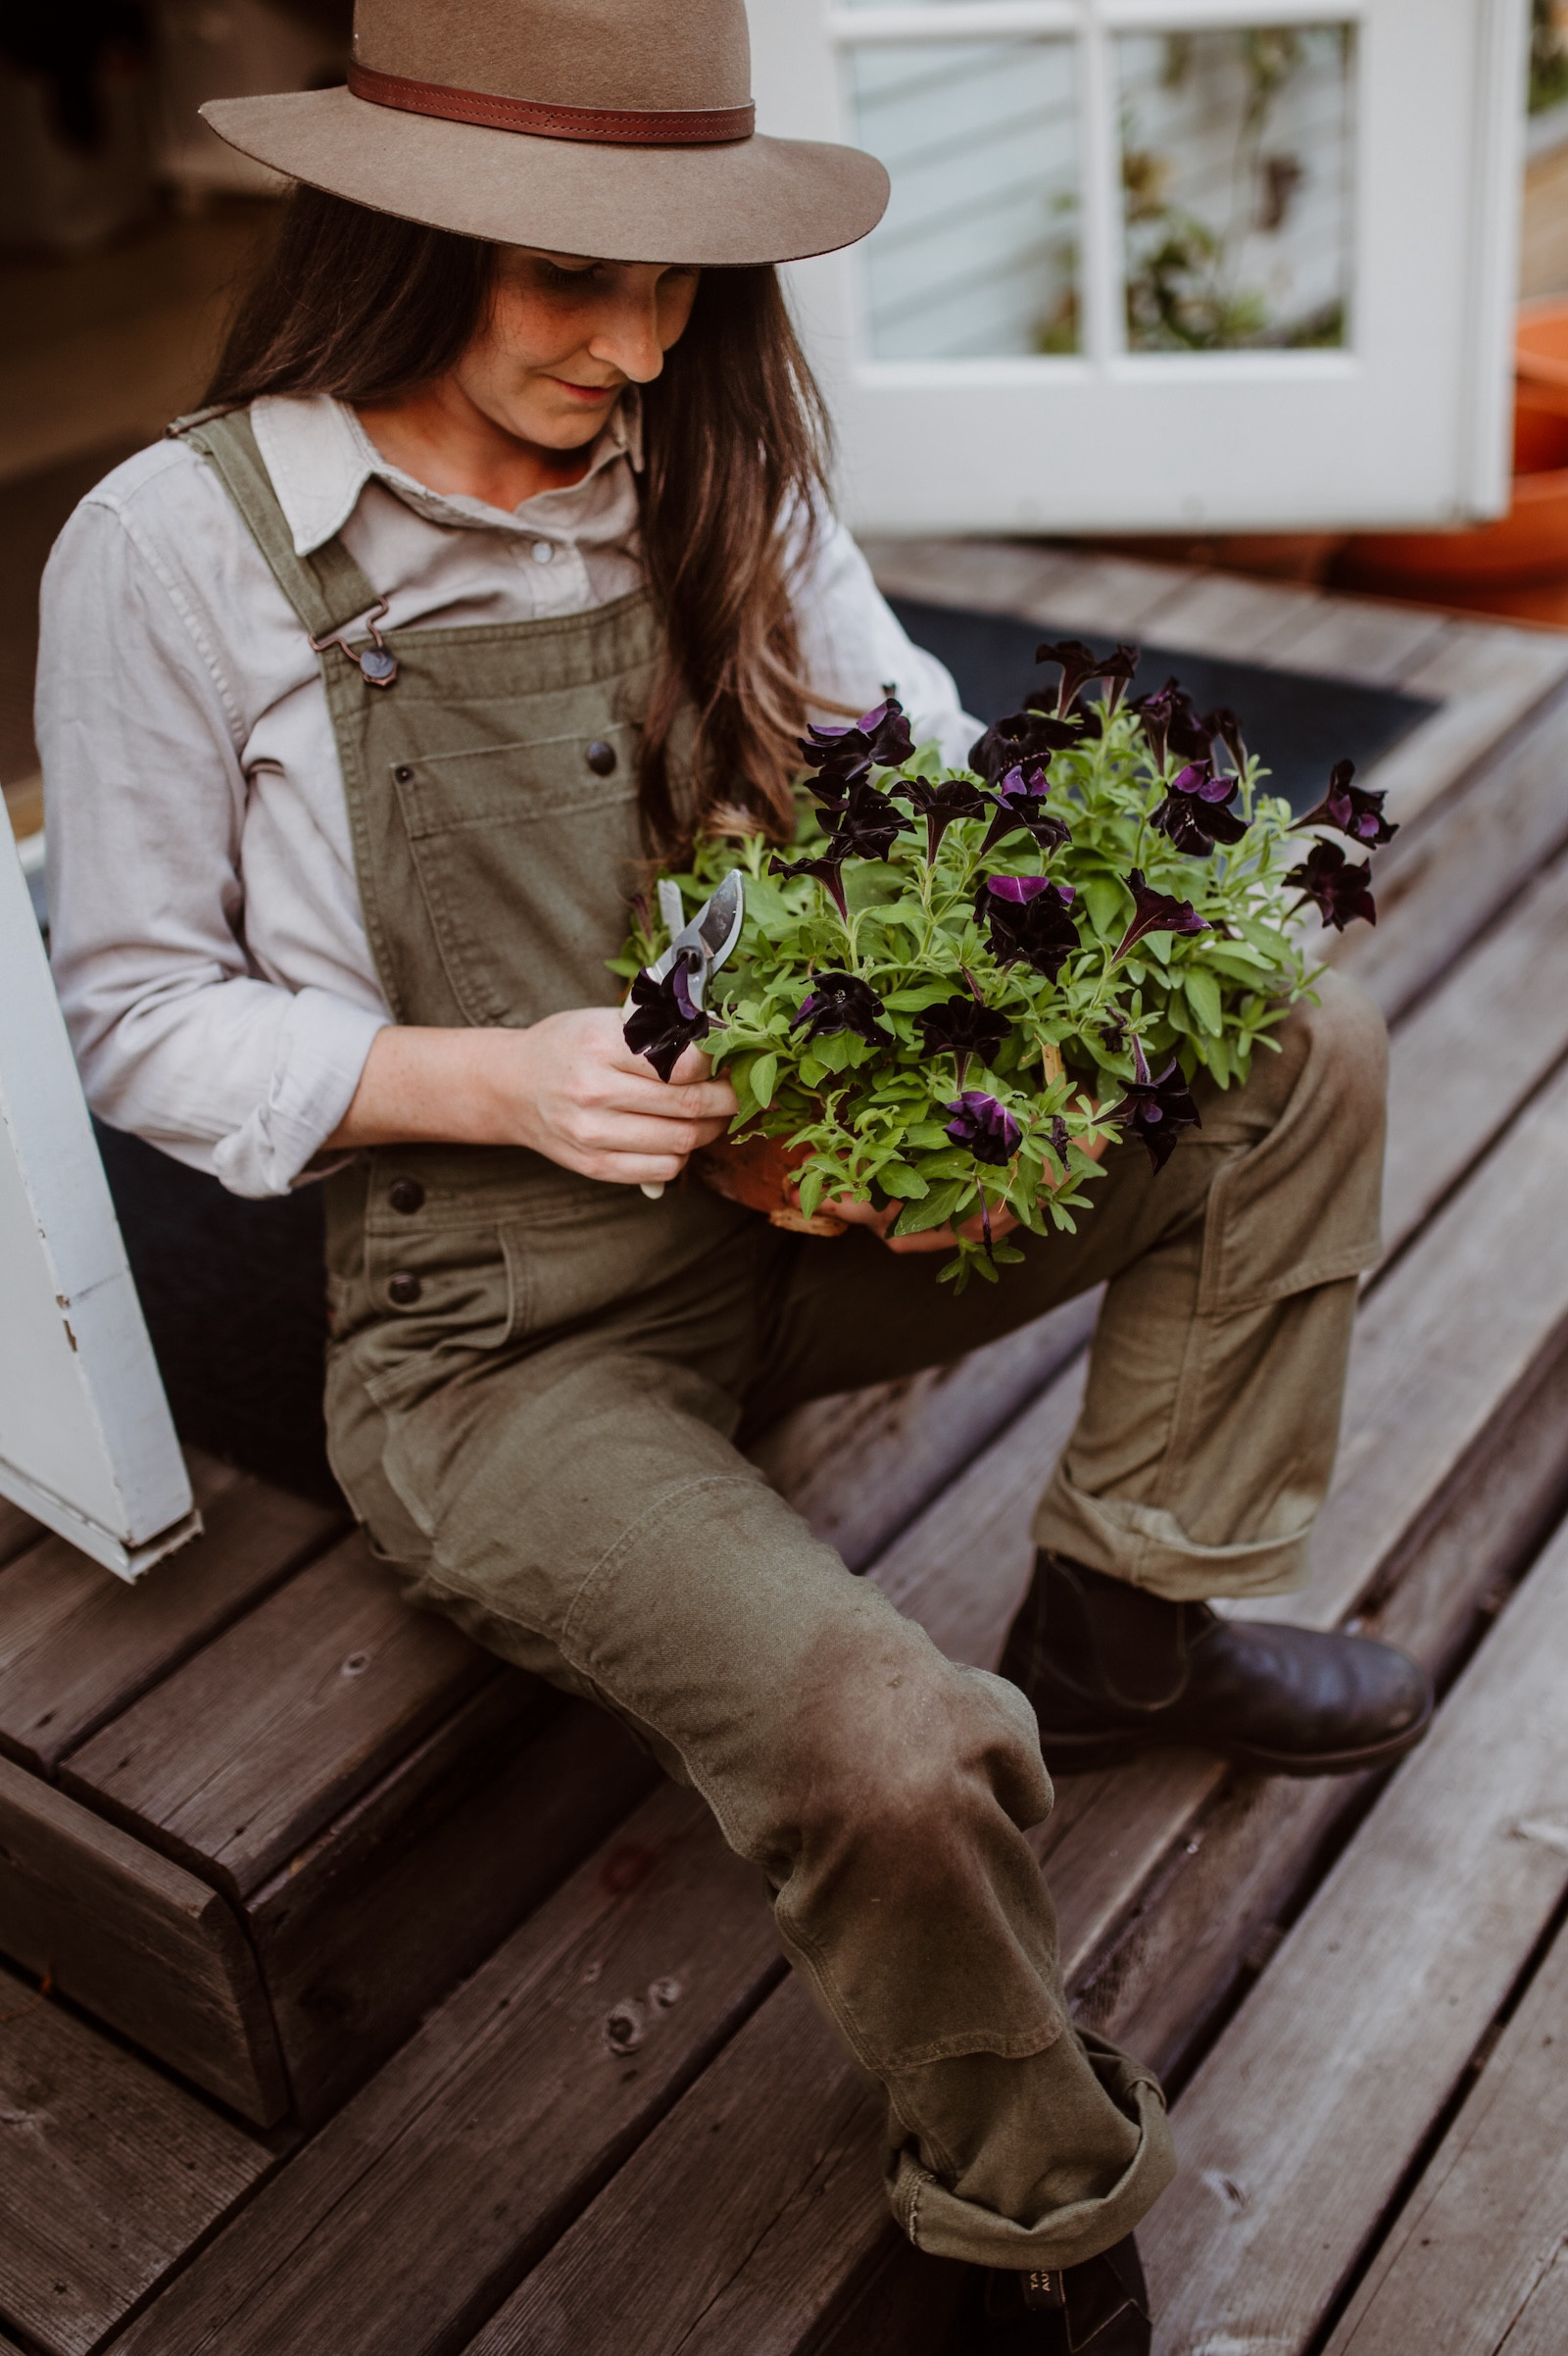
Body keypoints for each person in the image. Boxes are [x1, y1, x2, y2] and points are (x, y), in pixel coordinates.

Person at [37, 4, 1433, 2347]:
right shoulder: (178, 551)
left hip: (796, 1225)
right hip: (495, 1346)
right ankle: (1026, 2204)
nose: (638, 340)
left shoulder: (708, 455)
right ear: (403, 231)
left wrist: (998, 1025)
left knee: (1296, 1038)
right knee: (890, 1752)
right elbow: (130, 1011)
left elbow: (929, 754)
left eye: (678, 278)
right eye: (573, 276)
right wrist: (496, 1080)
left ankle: (1123, 1612)